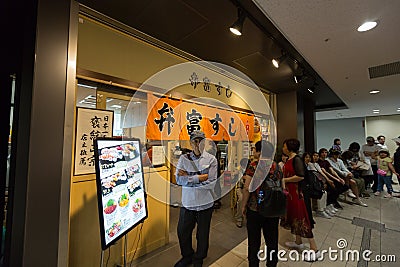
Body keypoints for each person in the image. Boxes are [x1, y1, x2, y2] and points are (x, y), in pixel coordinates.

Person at [174, 131, 218, 267]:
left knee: (202, 234)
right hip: (188, 203)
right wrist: (201, 177)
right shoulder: (183, 159)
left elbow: (211, 183)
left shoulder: (211, 159)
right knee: (182, 231)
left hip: (205, 204)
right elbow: (178, 179)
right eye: (195, 141)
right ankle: (187, 255)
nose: (198, 144)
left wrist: (190, 177)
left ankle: (199, 258)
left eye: (201, 141)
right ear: (191, 142)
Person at [242, 140, 281, 267]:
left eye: (255, 149)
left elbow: (247, 188)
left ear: (260, 152)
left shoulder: (254, 165)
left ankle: (254, 264)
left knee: (254, 242)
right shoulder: (276, 166)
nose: (253, 152)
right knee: (272, 241)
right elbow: (282, 187)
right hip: (273, 209)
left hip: (255, 209)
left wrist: (243, 206)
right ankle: (272, 264)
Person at [280, 139, 320, 262]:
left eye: (284, 146)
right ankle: (298, 241)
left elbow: (300, 176)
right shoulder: (289, 159)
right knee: (295, 218)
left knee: (302, 219)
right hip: (291, 194)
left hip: (297, 194)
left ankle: (314, 248)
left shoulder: (296, 159)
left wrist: (285, 181)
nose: (283, 148)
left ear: (289, 147)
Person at [234, 157, 250, 228]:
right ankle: (239, 219)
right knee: (241, 199)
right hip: (240, 188)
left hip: (249, 189)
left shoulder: (251, 170)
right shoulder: (239, 170)